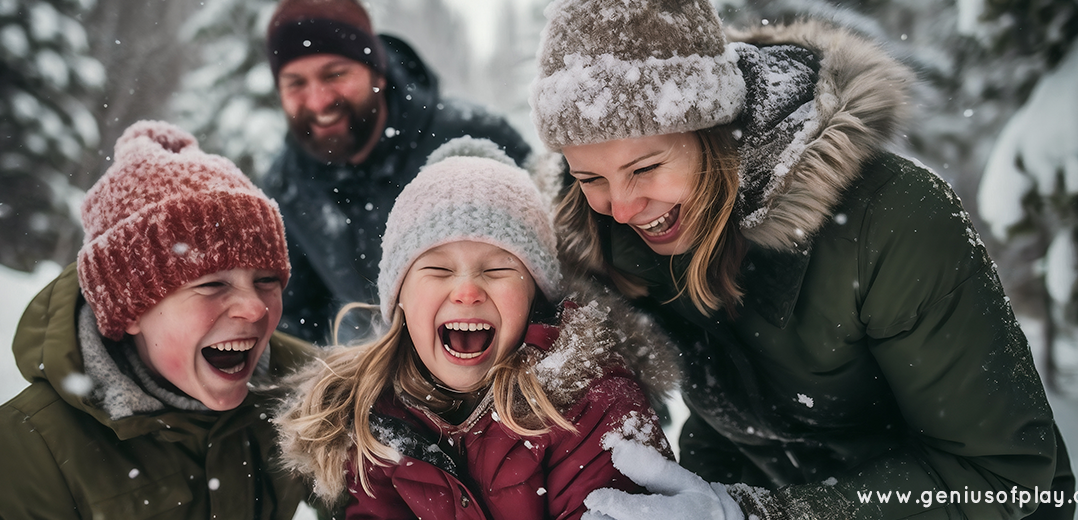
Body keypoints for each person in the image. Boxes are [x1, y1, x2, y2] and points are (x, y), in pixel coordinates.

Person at [529, 1, 1075, 519]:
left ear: (712, 134)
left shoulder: (889, 220)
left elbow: (1003, 472)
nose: (621, 207)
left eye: (645, 167)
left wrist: (766, 512)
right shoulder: (627, 243)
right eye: (590, 178)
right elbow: (733, 416)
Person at [274, 138, 678, 519]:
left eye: (497, 269)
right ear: (400, 299)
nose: (467, 291)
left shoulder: (591, 404)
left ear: (534, 296)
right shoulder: (377, 422)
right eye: (438, 269)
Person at [0, 120, 316, 519]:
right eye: (213, 284)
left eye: (267, 280)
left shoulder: (305, 390)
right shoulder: (31, 449)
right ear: (130, 308)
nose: (255, 309)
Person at [261, 0, 533, 344]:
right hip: (376, 376)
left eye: (335, 74)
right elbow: (296, 319)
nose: (318, 100)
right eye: (295, 83)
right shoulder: (286, 187)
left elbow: (550, 268)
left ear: (377, 71)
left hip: (488, 359)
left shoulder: (473, 136)